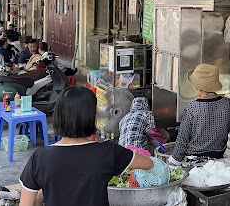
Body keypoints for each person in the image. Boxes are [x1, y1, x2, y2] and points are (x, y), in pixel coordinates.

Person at [19, 86, 154, 206]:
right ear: (93, 117)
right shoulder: (109, 152)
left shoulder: (40, 158)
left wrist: (47, 188)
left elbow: (27, 203)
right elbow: (148, 163)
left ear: (58, 117)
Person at [170, 64, 230, 165]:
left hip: (194, 163)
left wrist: (172, 164)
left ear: (198, 88)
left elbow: (182, 140)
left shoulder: (192, 107)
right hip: (218, 162)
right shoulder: (229, 104)